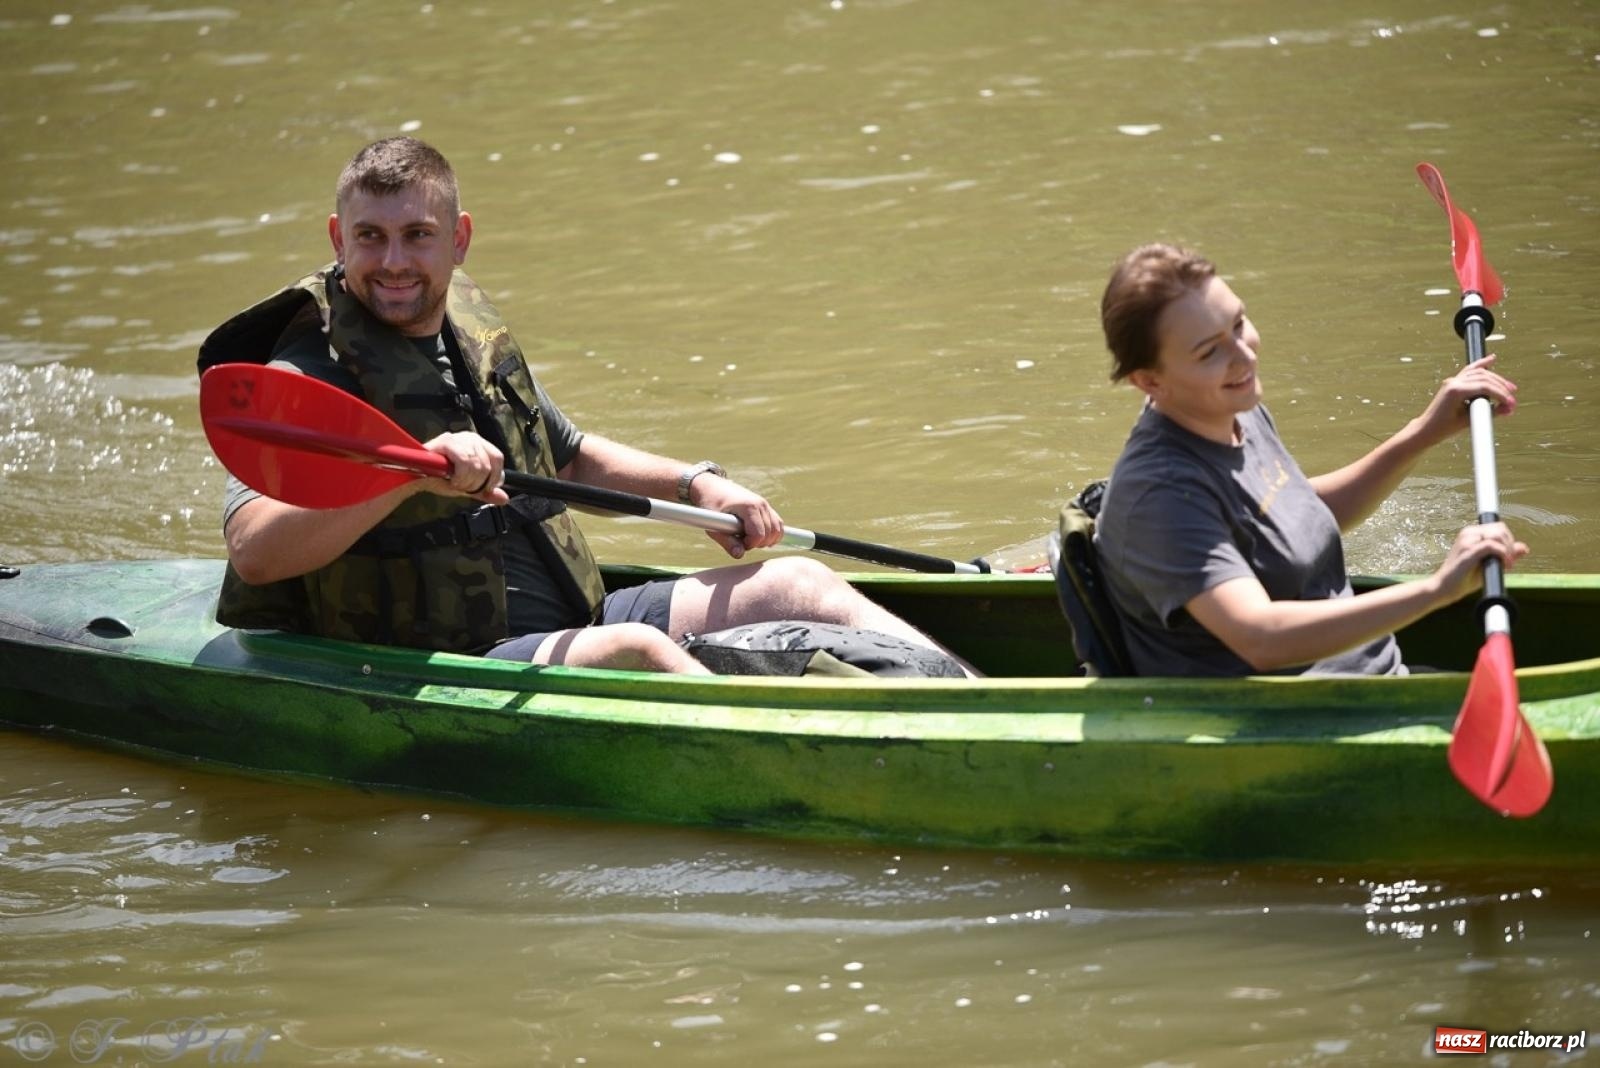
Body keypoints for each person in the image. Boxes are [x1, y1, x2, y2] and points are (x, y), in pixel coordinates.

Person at [201, 136, 976, 677]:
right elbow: (255, 552)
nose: (394, 261)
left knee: (798, 586)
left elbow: (567, 456)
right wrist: (407, 477)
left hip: (578, 610)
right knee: (635, 649)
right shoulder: (310, 369)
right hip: (445, 661)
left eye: (417, 235)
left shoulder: (464, 329)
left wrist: (699, 486)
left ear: (459, 241)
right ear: (339, 237)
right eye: (370, 237)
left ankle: (981, 704)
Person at [1090, 242, 1527, 677]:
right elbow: (1261, 637)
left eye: (1239, 324)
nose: (1244, 356)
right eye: (1209, 352)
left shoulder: (1231, 409)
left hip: (1371, 676)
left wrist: (1423, 433)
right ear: (1149, 380)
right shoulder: (1161, 495)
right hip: (1289, 720)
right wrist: (1435, 590)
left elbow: (1298, 516)